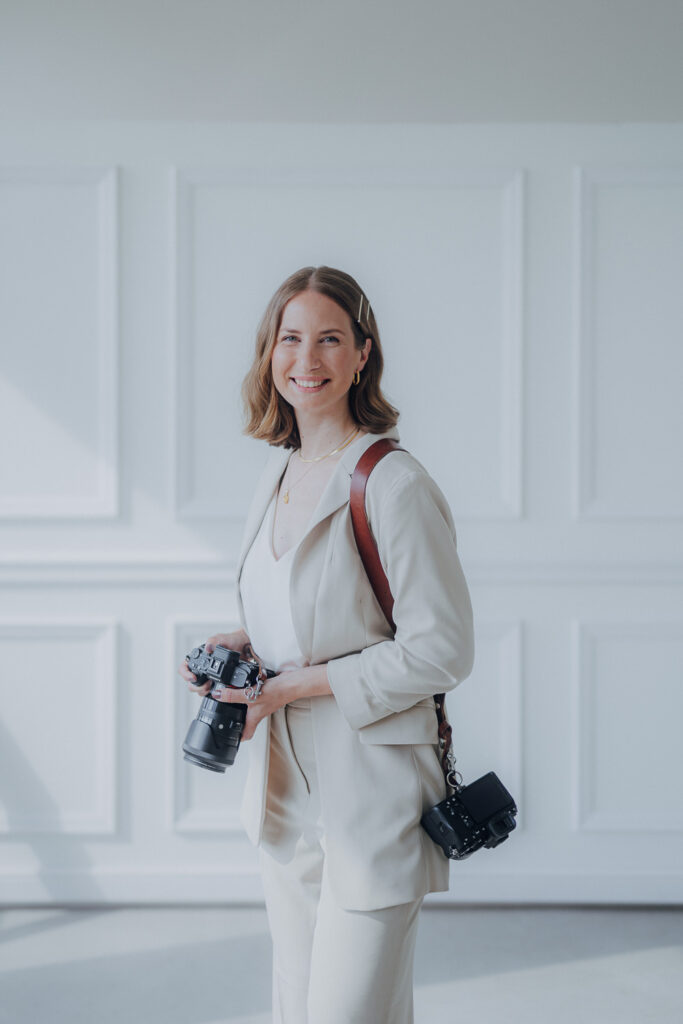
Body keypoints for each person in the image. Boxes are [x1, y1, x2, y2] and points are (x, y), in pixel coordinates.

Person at [178, 265, 474, 1023]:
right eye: (290, 339)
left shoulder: (392, 483)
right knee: (298, 1010)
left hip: (370, 793)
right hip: (286, 795)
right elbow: (315, 611)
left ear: (362, 354)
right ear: (268, 352)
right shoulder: (278, 473)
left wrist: (287, 688)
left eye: (329, 339)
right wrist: (244, 640)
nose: (306, 360)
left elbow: (441, 649)